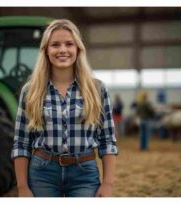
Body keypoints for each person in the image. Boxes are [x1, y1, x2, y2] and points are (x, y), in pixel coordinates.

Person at [11, 19, 118, 197]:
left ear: (78, 49)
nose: (62, 50)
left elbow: (107, 141)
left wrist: (107, 183)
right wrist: (22, 187)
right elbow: (21, 143)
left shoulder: (97, 88)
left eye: (69, 44)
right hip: (42, 173)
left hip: (84, 174)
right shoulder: (30, 91)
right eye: (55, 45)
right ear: (46, 50)